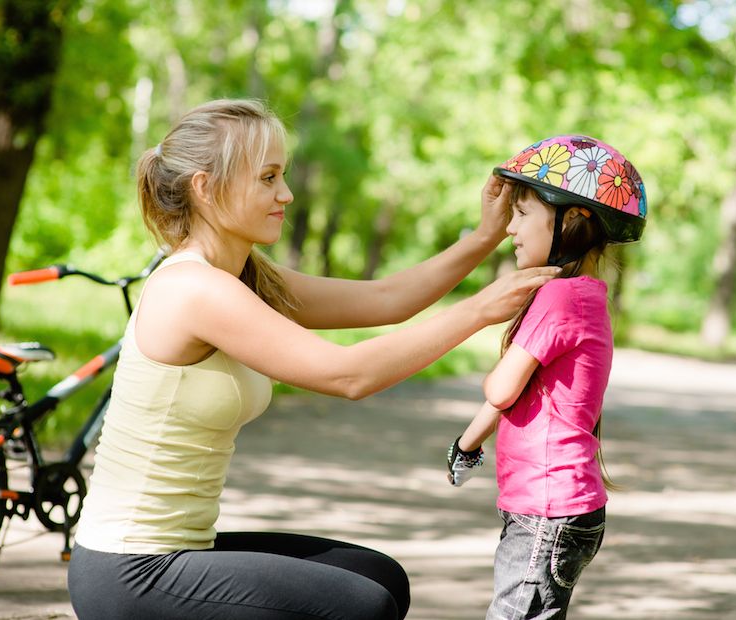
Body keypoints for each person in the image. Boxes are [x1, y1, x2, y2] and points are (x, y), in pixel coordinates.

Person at [67, 98, 559, 620]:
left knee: (379, 577)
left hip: (180, 551)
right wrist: (479, 310)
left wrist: (484, 237)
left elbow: (385, 300)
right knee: (362, 607)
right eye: (268, 177)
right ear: (206, 189)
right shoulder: (192, 288)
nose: (287, 193)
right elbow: (348, 375)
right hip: (132, 569)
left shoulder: (244, 276)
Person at [445, 134, 648, 619]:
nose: (510, 228)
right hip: (552, 509)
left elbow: (500, 388)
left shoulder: (558, 296)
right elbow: (513, 398)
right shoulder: (585, 294)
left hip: (546, 512)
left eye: (523, 213)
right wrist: (467, 444)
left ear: (572, 218)